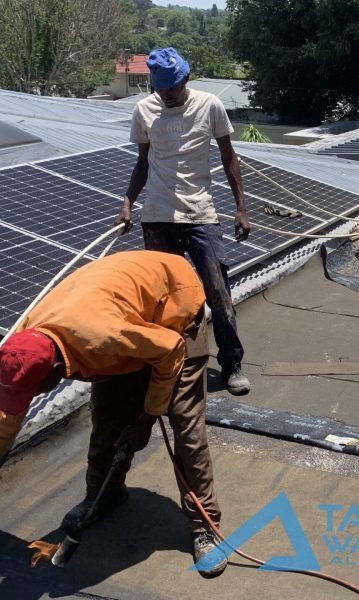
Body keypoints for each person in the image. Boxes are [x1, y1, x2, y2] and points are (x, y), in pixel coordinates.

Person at [0, 251, 227, 577]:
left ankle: (205, 525)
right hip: (130, 323)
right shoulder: (24, 343)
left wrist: (147, 418)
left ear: (53, 369)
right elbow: (8, 416)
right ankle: (104, 496)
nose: (33, 395)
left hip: (174, 314)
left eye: (35, 389)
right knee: (107, 420)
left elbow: (169, 349)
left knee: (186, 428)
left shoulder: (100, 336)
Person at [116, 46, 252, 396]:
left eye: (173, 90)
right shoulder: (144, 111)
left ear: (185, 79)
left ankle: (232, 363)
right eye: (161, 91)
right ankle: (166, 362)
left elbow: (228, 156)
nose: (168, 96)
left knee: (217, 293)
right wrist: (128, 202)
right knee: (162, 299)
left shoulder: (210, 106)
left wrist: (241, 207)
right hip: (157, 217)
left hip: (200, 214)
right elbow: (142, 163)